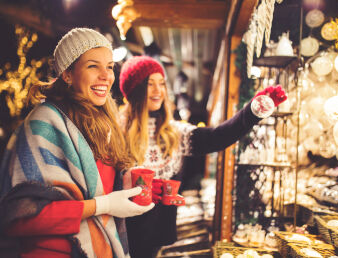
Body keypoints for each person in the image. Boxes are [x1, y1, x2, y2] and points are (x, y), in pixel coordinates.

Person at [0, 28, 154, 258]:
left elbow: (100, 188)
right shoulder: (43, 124)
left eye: (110, 67)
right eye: (93, 66)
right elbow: (20, 218)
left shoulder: (103, 125)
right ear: (67, 74)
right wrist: (104, 205)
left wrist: (130, 184)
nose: (106, 75)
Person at [118, 55, 287, 258]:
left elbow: (217, 137)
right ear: (134, 90)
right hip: (120, 235)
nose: (158, 91)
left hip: (157, 239)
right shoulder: (117, 132)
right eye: (149, 84)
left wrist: (251, 112)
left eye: (162, 83)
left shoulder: (174, 133)